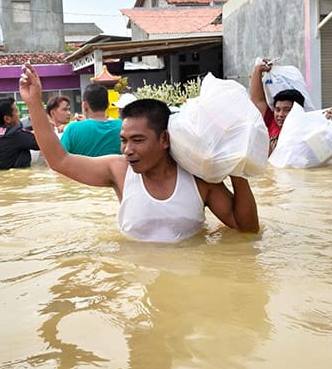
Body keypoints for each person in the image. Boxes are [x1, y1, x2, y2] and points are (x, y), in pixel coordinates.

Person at [19, 63, 259, 242]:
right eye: (123, 140)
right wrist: (34, 103)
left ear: (164, 139)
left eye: (137, 140)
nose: (127, 150)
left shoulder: (197, 177)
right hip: (137, 282)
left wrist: (235, 165)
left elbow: (246, 229)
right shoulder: (118, 170)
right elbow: (59, 160)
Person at [249, 58, 305, 155]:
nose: (280, 115)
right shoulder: (272, 122)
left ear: (298, 109)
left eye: (287, 110)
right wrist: (258, 70)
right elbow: (258, 100)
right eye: (277, 110)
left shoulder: (305, 130)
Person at [60, 83, 122, 156]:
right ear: (108, 105)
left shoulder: (72, 129)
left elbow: (59, 157)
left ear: (84, 105)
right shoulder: (123, 126)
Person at [0, 97, 40, 170]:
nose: (19, 114)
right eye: (16, 111)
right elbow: (43, 144)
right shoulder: (15, 135)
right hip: (17, 173)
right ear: (7, 119)